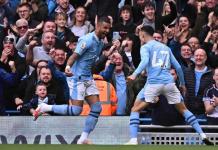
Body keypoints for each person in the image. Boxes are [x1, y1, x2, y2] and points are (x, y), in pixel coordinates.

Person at [126, 25, 213, 145]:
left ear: (143, 35)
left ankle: (133, 139)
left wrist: (134, 75)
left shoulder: (145, 47)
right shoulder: (166, 48)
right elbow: (177, 67)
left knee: (135, 109)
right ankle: (202, 135)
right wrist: (182, 84)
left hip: (153, 83)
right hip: (169, 83)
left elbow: (145, 61)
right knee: (184, 110)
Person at [34, 16, 111, 144]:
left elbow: (91, 61)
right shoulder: (87, 40)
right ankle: (44, 107)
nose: (107, 30)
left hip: (88, 78)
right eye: (105, 27)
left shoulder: (101, 43)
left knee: (97, 108)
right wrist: (68, 67)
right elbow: (74, 56)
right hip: (78, 79)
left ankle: (83, 138)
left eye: (109, 28)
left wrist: (107, 55)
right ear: (98, 26)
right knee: (76, 110)